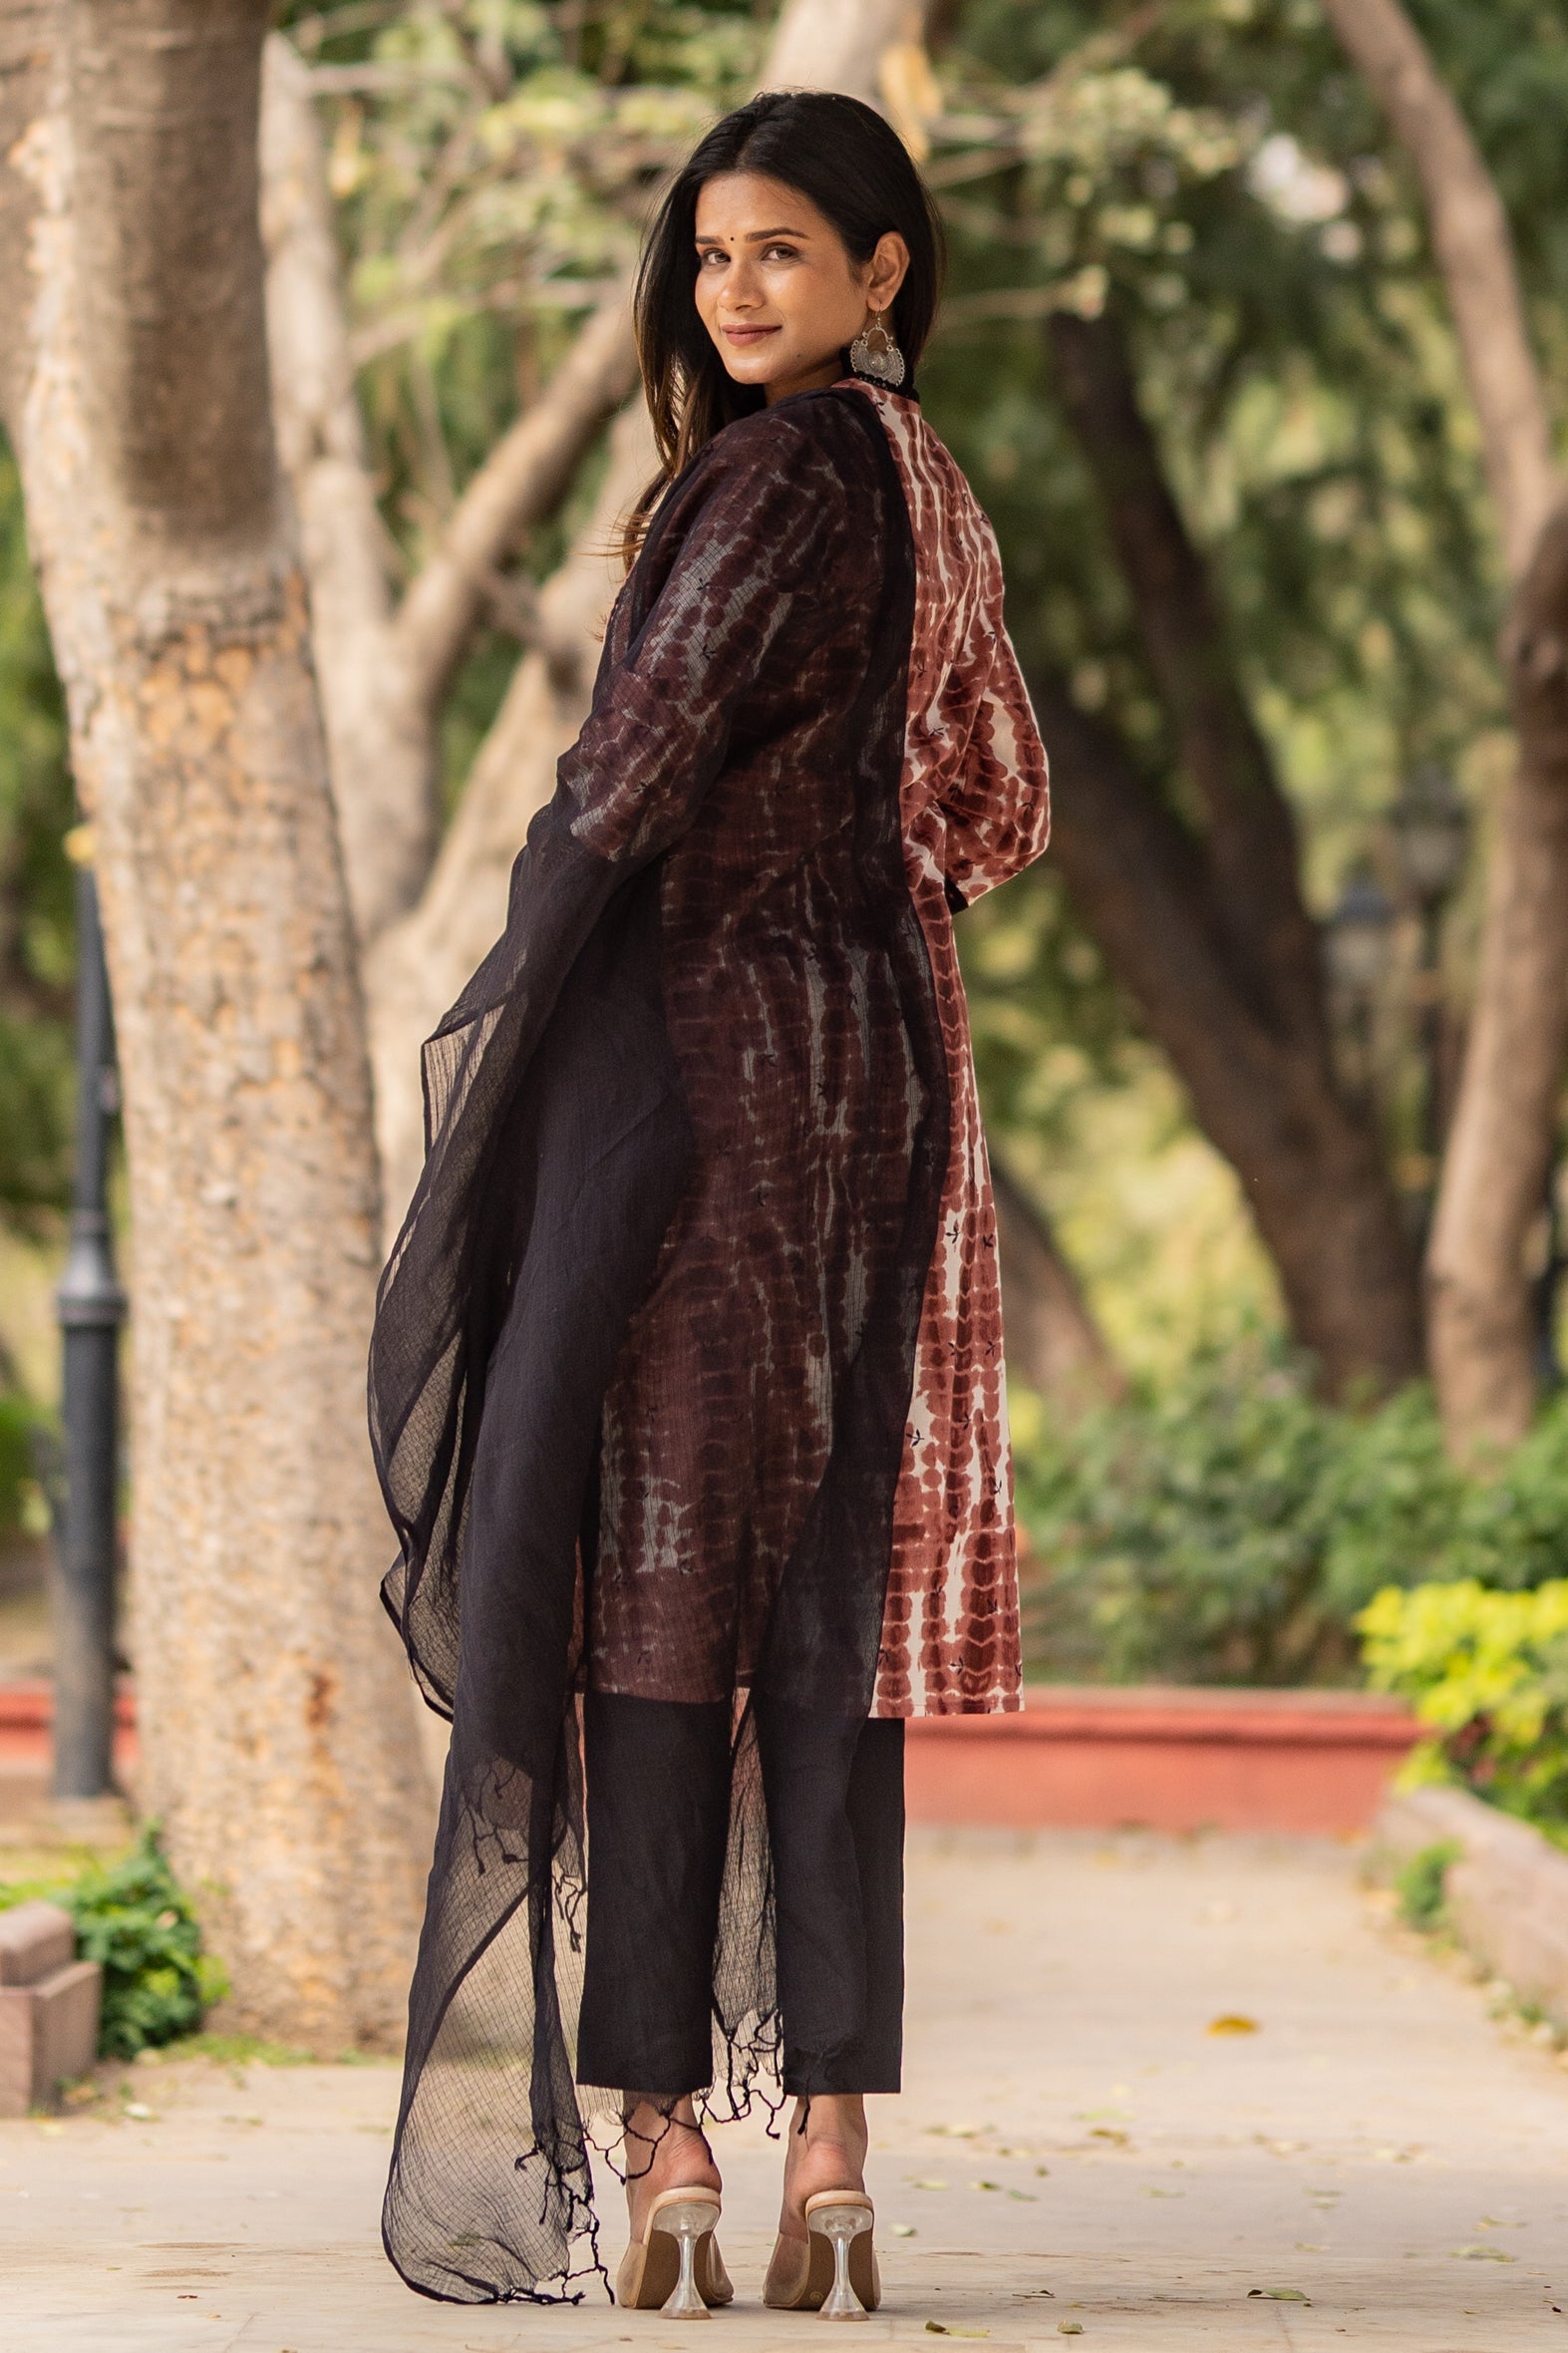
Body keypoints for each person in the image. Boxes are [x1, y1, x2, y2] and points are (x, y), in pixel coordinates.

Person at [367, 87, 1051, 2315]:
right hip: (871, 1076)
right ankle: (826, 2146)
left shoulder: (773, 472)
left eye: (783, 251)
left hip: (700, 1084)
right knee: (813, 1599)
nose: (733, 289)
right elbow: (998, 797)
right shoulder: (921, 482)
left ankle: (664, 2133)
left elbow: (636, 767)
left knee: (646, 1590)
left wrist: (511, 987)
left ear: (883, 273)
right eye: (712, 252)